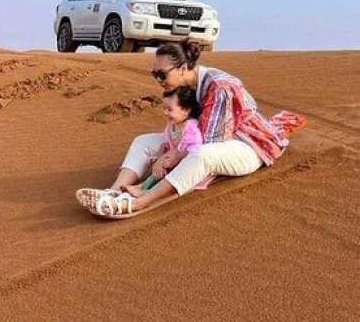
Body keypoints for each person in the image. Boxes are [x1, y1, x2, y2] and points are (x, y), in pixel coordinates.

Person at [76, 40, 305, 218]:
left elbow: (209, 141)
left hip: (246, 144)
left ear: (183, 68)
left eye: (162, 74)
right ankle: (114, 191)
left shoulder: (219, 87)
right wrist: (166, 153)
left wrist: (168, 157)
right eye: (154, 74)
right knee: (144, 141)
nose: (158, 79)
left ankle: (140, 201)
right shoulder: (187, 85)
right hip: (208, 139)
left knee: (201, 155)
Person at [123, 85, 215, 198]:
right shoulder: (172, 126)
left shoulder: (191, 126)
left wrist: (175, 157)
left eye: (170, 109)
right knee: (159, 170)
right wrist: (158, 157)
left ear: (186, 110)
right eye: (164, 108)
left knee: (166, 174)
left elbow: (195, 148)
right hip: (173, 160)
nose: (165, 112)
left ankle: (146, 191)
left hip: (187, 164)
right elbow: (166, 144)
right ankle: (141, 187)